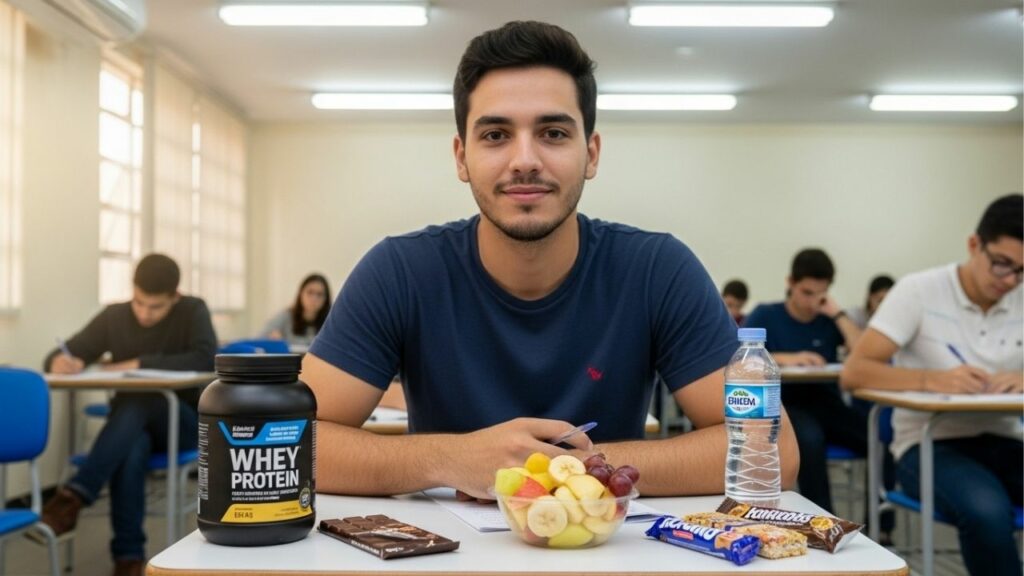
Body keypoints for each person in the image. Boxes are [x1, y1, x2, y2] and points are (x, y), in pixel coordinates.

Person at [302, 20, 798, 499]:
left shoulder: (656, 269)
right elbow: (287, 439)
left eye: (554, 133)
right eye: (495, 135)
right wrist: (450, 459)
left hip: (608, 550)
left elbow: (772, 448)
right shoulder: (400, 272)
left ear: (592, 153)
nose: (524, 159)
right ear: (461, 157)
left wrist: (569, 469)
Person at [842, 194, 1023, 576]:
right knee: (988, 512)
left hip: (1005, 438)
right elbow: (855, 371)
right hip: (928, 446)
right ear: (975, 245)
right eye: (1002, 264)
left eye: (1022, 271)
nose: (1010, 280)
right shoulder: (919, 291)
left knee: (993, 503)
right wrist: (931, 380)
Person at [39, 253, 217, 576]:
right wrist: (59, 361)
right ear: (132, 291)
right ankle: (128, 560)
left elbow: (206, 358)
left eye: (156, 306)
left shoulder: (193, 310)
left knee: (142, 397)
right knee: (131, 448)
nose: (145, 314)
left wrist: (138, 364)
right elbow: (65, 350)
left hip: (183, 423)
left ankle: (75, 495)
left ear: (175, 297)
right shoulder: (115, 316)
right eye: (139, 303)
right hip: (132, 430)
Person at [743, 249, 877, 521]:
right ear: (790, 282)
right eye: (806, 292)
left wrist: (838, 314)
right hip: (786, 405)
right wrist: (785, 358)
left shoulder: (829, 320)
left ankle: (879, 525)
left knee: (876, 438)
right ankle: (824, 522)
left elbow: (864, 352)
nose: (812, 301)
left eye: (821, 294)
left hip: (827, 403)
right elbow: (741, 353)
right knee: (810, 440)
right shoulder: (766, 314)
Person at [260, 273, 332, 346]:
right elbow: (259, 339)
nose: (314, 298)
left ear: (326, 299)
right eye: (310, 292)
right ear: (300, 294)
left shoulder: (330, 323)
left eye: (319, 294)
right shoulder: (285, 316)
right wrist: (272, 340)